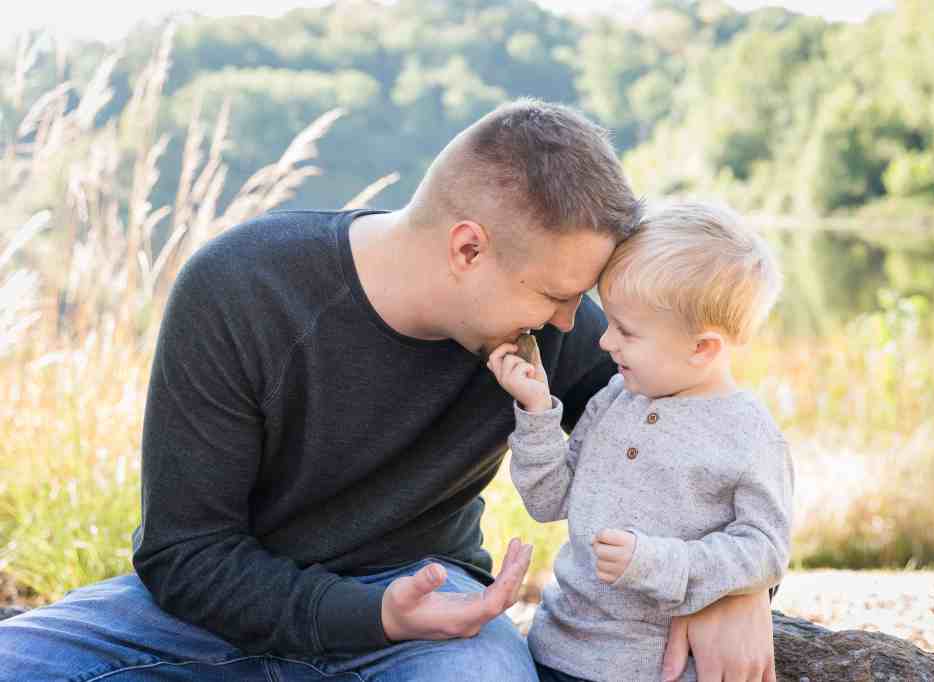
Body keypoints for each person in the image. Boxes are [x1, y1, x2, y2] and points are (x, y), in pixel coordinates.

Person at [0, 101, 777, 681]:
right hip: (201, 615)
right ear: (467, 247)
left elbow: (711, 448)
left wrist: (735, 587)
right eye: (558, 295)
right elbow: (186, 556)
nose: (580, 323)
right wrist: (362, 616)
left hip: (432, 614)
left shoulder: (558, 331)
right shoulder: (242, 288)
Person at [487, 202, 794, 682]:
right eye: (608, 322)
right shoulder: (616, 398)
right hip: (554, 651)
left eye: (626, 331)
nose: (605, 342)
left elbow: (765, 551)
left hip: (652, 669)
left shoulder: (749, 435)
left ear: (702, 348)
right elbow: (551, 500)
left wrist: (659, 563)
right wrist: (537, 411)